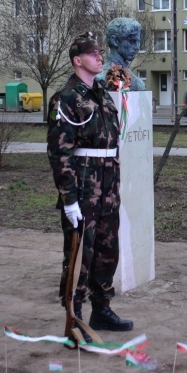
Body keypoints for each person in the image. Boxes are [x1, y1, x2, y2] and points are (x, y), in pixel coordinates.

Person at [47, 31, 133, 339]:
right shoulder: (66, 98)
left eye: (99, 52)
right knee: (80, 255)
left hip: (108, 189)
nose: (100, 56)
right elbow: (60, 153)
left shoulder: (101, 93)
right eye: (92, 53)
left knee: (107, 251)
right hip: (84, 190)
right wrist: (69, 198)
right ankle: (75, 317)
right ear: (77, 60)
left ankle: (102, 310)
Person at [98, 17, 146, 91]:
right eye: (132, 41)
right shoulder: (99, 78)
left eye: (137, 42)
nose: (136, 47)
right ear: (115, 41)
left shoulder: (137, 83)